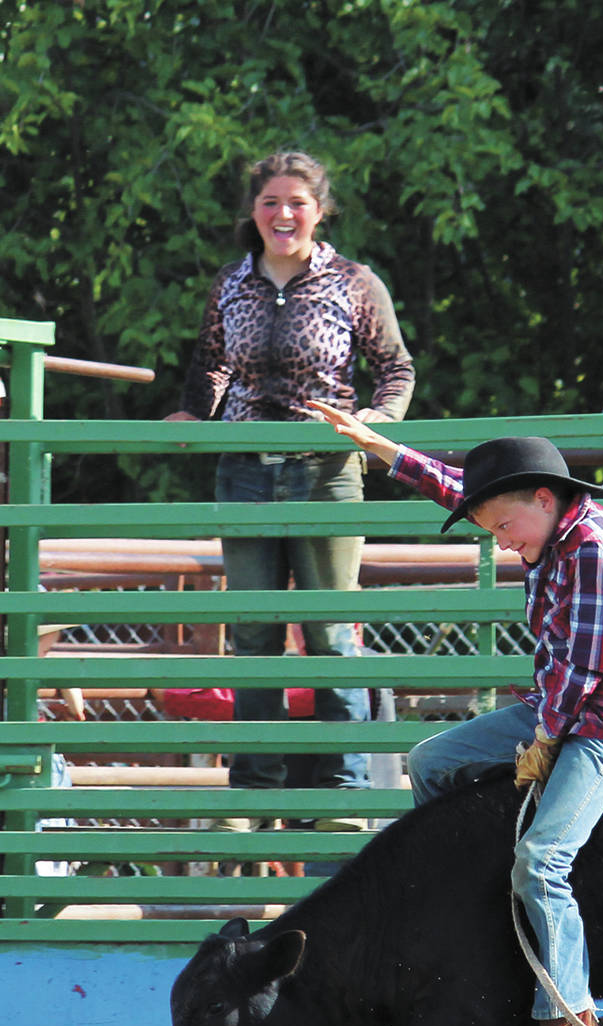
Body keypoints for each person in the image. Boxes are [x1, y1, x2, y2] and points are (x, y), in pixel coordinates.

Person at [305, 398, 603, 1026]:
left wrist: (541, 744)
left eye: (502, 527)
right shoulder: (544, 528)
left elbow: (583, 671)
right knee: (432, 761)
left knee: (542, 860)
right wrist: (381, 447)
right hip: (554, 708)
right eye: (489, 530)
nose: (499, 541)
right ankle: (463, 908)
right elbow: (455, 484)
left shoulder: (598, 552)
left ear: (543, 498)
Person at [166, 150, 415, 815]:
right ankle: (254, 791)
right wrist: (193, 413)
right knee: (253, 632)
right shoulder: (230, 283)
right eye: (271, 202)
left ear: (320, 210)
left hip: (326, 469)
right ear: (254, 211)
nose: (283, 214)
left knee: (331, 630)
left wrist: (373, 423)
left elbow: (396, 371)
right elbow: (212, 365)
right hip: (243, 468)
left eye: (297, 203)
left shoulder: (354, 282)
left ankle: (343, 790)